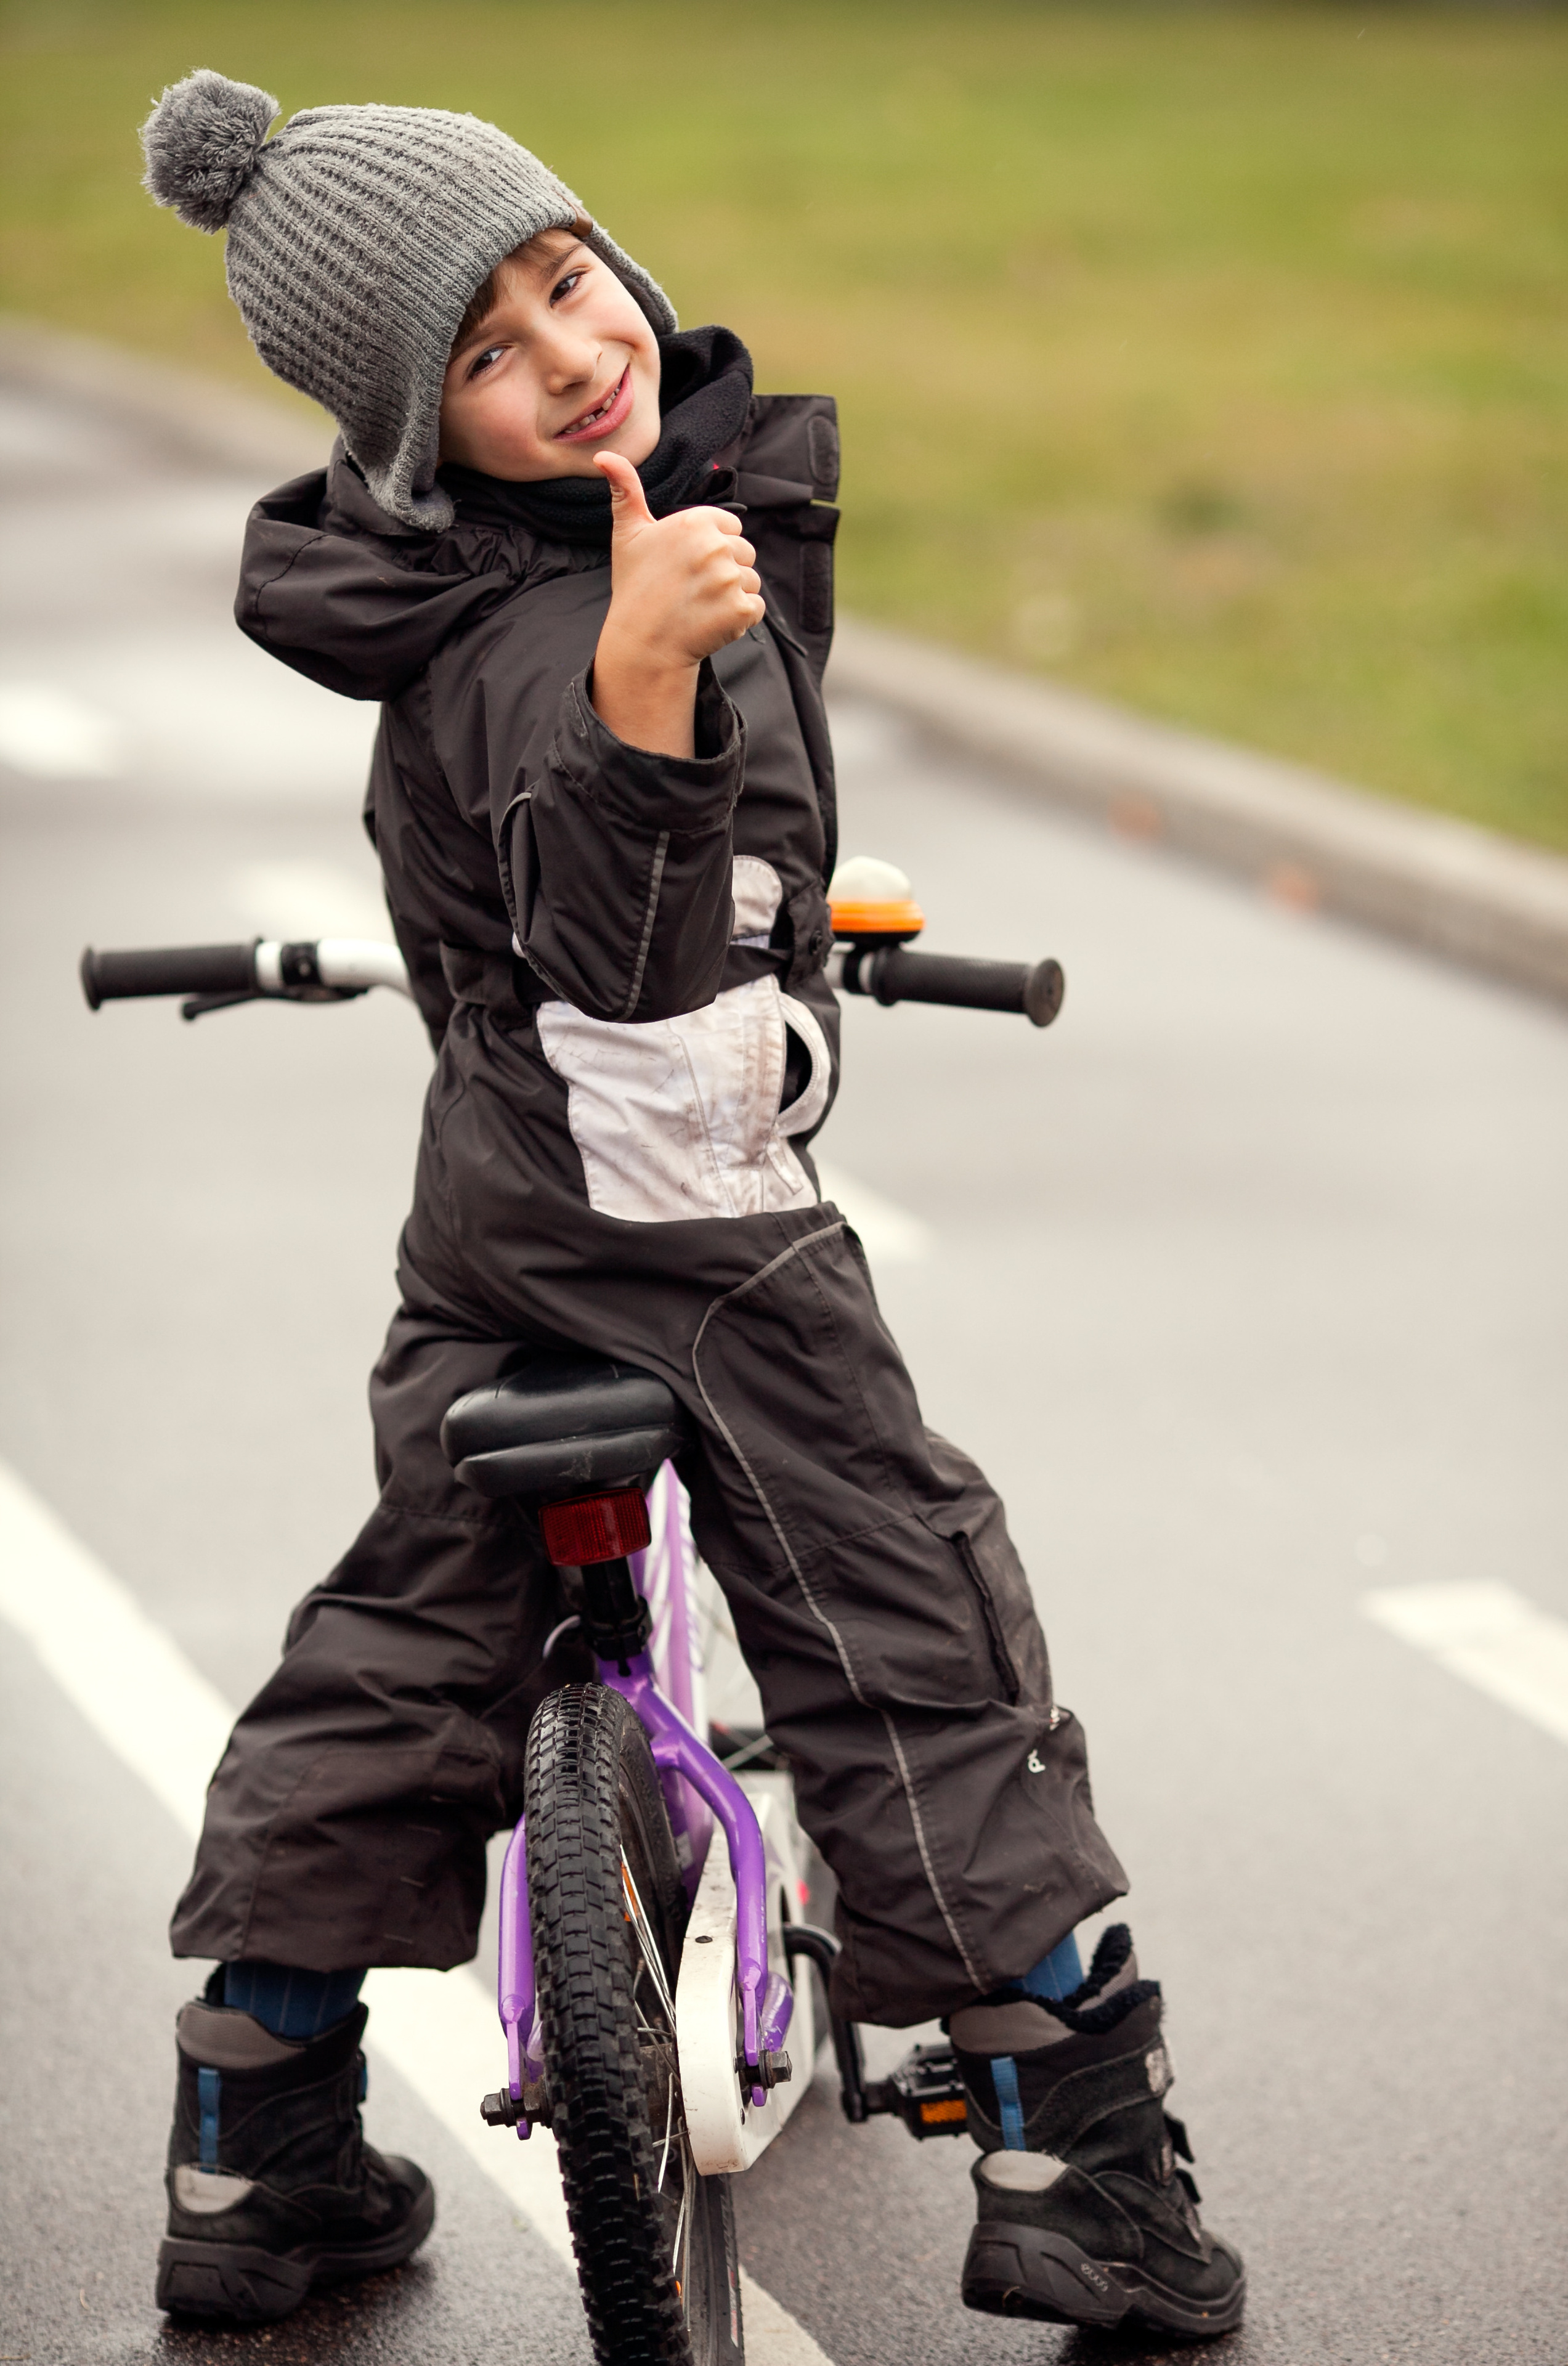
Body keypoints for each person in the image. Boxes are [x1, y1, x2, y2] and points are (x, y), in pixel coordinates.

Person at [138, 68, 1245, 2343]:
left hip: (500, 1207)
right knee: (900, 1621)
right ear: (419, 430)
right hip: (685, 1201)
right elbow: (622, 962)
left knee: (406, 1641)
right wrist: (655, 711)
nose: (567, 350)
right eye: (486, 355)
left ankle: (254, 2147)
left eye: (565, 278)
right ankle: (1072, 2153)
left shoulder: (510, 567)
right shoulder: (579, 622)